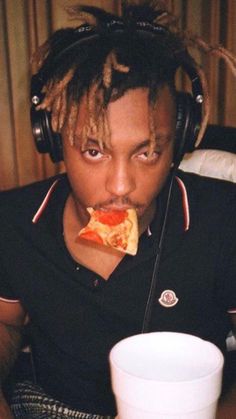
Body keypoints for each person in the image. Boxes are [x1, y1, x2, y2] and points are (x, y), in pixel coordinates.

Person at [0, 1, 236, 418]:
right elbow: (5, 323)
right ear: (54, 141)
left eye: (147, 152)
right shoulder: (13, 222)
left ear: (177, 143)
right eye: (93, 150)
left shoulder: (226, 218)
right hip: (51, 405)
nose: (121, 186)